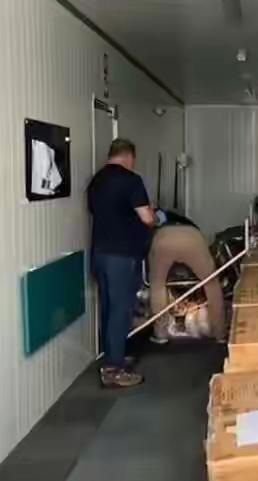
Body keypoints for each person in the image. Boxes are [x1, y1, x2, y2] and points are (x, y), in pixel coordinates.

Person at [88, 138, 156, 388]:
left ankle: (112, 356)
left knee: (108, 307)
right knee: (121, 310)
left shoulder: (96, 181)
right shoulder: (131, 180)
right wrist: (153, 215)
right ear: (129, 156)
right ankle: (113, 370)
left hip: (100, 254)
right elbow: (147, 218)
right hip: (122, 256)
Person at [148, 224, 226, 344]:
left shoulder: (158, 230)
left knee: (158, 285)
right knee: (211, 283)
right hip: (192, 237)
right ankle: (220, 333)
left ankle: (160, 333)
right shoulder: (192, 228)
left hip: (164, 238)